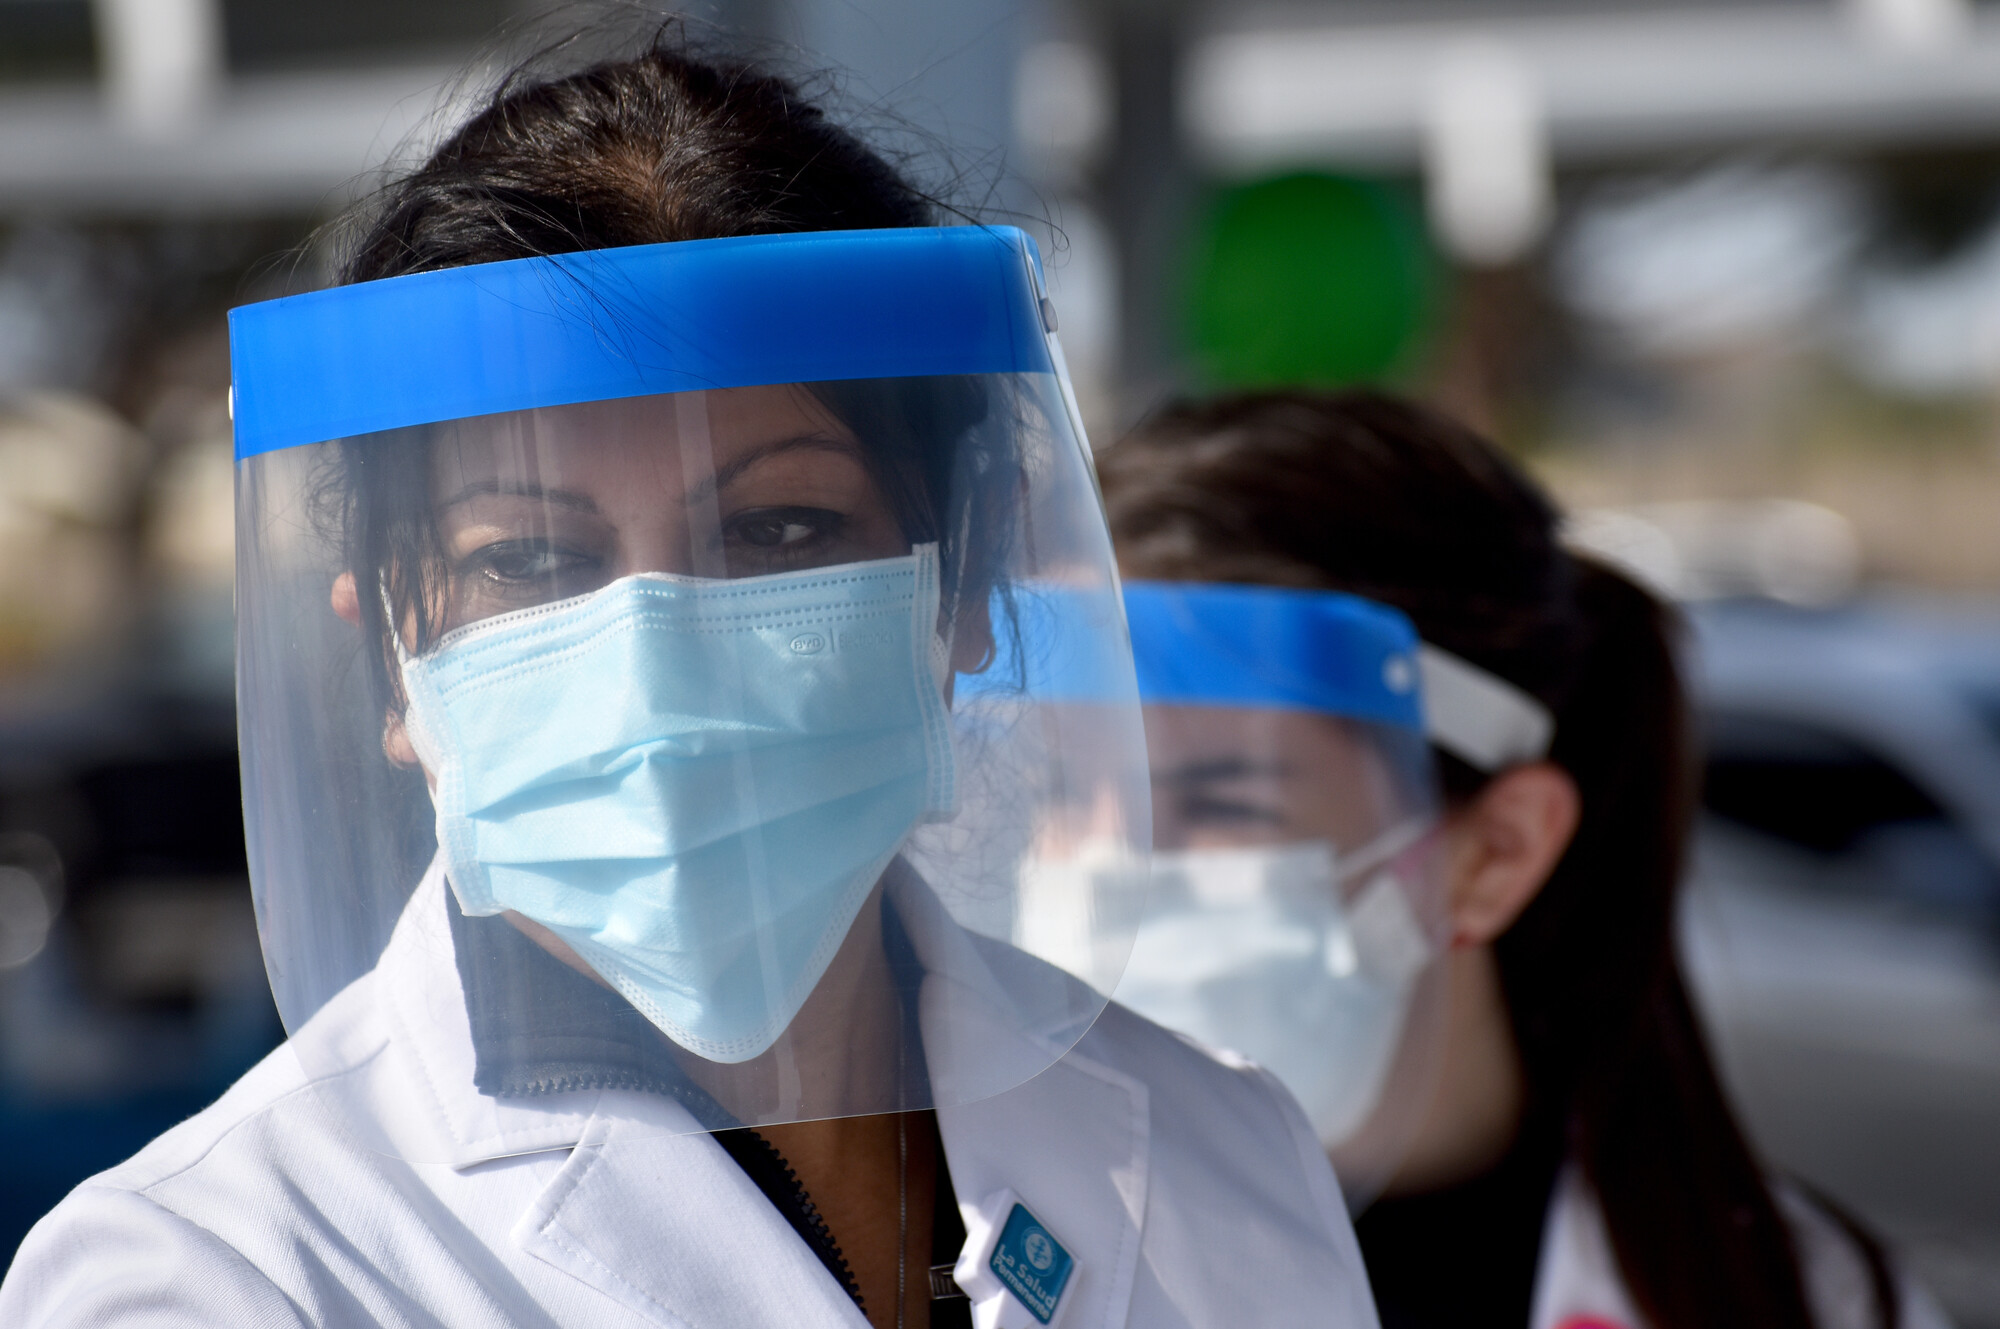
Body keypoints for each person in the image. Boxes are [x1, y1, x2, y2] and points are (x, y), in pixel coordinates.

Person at [0, 40, 1379, 1329]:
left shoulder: (1223, 1151)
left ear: (961, 585)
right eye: (530, 558)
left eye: (780, 530)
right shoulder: (217, 1274)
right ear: (397, 653)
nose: (655, 645)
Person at [1096, 389, 1951, 1329]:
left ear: (1497, 852)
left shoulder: (1799, 1299)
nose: (1095, 861)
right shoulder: (952, 1262)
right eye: (1050, 793)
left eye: (1217, 799)